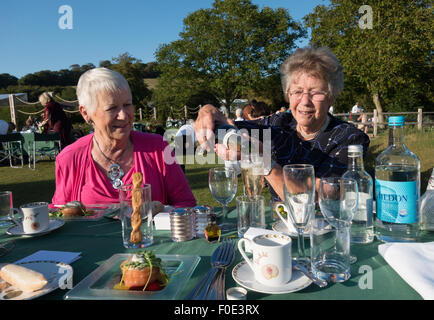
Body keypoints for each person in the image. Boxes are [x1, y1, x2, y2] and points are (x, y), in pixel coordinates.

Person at [194, 46, 370, 202]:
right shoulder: (278, 125)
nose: (305, 101)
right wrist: (208, 112)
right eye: (297, 91)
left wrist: (264, 162)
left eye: (316, 93)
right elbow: (223, 128)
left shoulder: (349, 138)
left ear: (331, 97)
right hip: (278, 234)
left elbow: (318, 197)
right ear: (288, 95)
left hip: (325, 234)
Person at [51, 67, 196, 207]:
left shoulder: (157, 148)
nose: (124, 115)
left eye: (127, 104)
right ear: (85, 113)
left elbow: (186, 204)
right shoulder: (70, 158)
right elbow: (60, 213)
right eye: (112, 108)